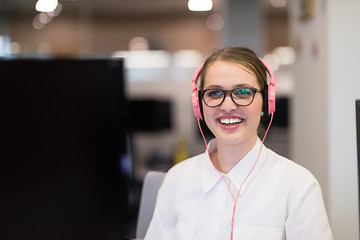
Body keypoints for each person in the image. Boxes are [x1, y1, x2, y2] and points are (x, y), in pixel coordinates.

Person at [144, 47, 333, 240]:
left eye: (243, 92)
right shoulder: (177, 180)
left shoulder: (297, 185)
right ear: (199, 104)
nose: (227, 106)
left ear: (266, 102)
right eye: (215, 93)